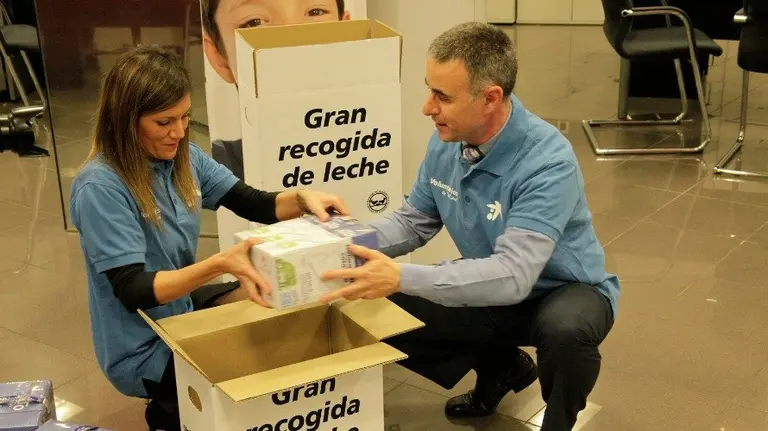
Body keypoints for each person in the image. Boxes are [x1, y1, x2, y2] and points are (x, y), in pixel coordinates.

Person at [320, 22, 620, 431]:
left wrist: (400, 275)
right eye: (430, 90)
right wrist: (343, 244)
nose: (428, 107)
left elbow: (515, 275)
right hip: (497, 287)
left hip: (564, 290)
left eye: (442, 96)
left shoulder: (547, 162)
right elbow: (414, 221)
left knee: (566, 332)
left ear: (490, 98)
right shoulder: (448, 140)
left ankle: (559, 422)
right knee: (368, 302)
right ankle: (502, 368)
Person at [69, 45, 348, 431]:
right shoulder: (100, 187)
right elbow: (133, 290)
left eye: (184, 117)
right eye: (164, 122)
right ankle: (170, 411)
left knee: (275, 302)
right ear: (125, 121)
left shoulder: (184, 157)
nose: (179, 132)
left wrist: (303, 199)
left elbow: (253, 203)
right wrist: (217, 264)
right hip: (143, 345)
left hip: (181, 311)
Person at [200, 0, 352, 180]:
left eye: (315, 12)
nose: (293, 41)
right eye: (254, 22)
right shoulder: (209, 173)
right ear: (218, 56)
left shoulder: (388, 154)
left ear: (349, 32)